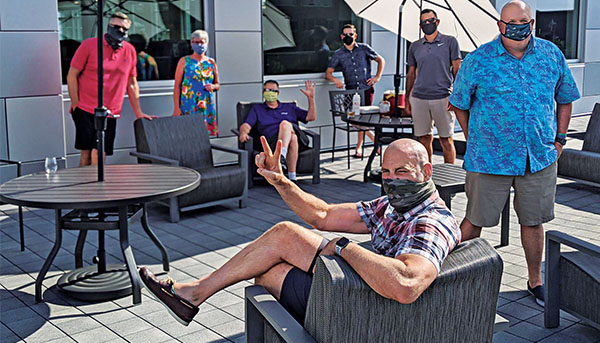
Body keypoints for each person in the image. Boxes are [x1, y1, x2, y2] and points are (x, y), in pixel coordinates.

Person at [140, 138, 461, 326]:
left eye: (402, 172)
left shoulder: (430, 221)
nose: (392, 180)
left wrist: (345, 246)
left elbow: (406, 285)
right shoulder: (392, 205)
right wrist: (279, 180)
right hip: (358, 287)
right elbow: (322, 215)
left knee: (285, 237)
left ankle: (195, 293)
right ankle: (194, 294)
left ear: (426, 172)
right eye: (387, 172)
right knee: (269, 273)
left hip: (374, 309)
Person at [449, 0, 581, 306]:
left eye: (523, 20)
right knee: (474, 220)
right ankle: (450, 275)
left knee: (533, 222)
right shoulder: (479, 60)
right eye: (511, 22)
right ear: (500, 25)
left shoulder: (551, 55)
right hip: (489, 159)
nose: (517, 26)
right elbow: (459, 102)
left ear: (532, 23)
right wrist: (474, 139)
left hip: (538, 156)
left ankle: (536, 280)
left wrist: (560, 139)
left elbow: (565, 98)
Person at [66, 12, 155, 167]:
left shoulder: (129, 50)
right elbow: (72, 75)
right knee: (86, 154)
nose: (120, 31)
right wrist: (76, 104)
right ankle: (83, 189)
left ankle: (96, 187)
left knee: (99, 153)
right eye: (116, 27)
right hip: (85, 107)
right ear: (108, 27)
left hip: (110, 111)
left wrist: (138, 113)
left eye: (124, 29)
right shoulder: (89, 45)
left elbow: (132, 83)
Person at [406, 9, 462, 164]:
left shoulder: (450, 42)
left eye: (431, 21)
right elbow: (411, 74)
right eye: (424, 22)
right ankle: (427, 174)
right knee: (424, 139)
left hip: (443, 97)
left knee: (446, 140)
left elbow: (457, 70)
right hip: (419, 98)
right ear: (420, 25)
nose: (428, 24)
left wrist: (457, 95)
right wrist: (406, 99)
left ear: (437, 22)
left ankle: (449, 175)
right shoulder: (415, 46)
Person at [326, 24, 385, 157]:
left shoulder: (364, 48)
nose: (348, 37)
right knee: (352, 118)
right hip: (350, 91)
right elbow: (328, 73)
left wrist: (377, 77)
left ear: (355, 36)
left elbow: (380, 60)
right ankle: (375, 140)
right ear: (342, 36)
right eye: (345, 35)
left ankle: (359, 147)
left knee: (363, 118)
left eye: (350, 34)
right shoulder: (338, 54)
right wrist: (336, 80)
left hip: (366, 88)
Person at [238, 80, 316, 181]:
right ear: (263, 92)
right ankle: (292, 178)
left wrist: (311, 98)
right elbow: (246, 125)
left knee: (285, 125)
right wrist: (243, 133)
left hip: (300, 141)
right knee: (292, 138)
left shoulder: (289, 107)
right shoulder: (257, 109)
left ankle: (281, 156)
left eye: (272, 90)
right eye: (267, 90)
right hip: (272, 143)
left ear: (278, 93)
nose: (269, 92)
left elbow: (310, 117)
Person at [172, 29, 220, 136]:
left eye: (202, 42)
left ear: (207, 43)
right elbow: (177, 86)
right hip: (189, 104)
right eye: (196, 42)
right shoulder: (185, 61)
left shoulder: (211, 62)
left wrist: (213, 86)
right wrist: (176, 108)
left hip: (205, 104)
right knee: (187, 134)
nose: (199, 45)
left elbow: (217, 84)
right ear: (191, 44)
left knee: (203, 135)